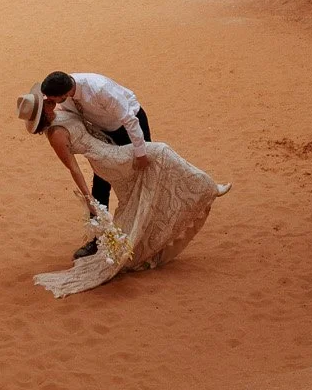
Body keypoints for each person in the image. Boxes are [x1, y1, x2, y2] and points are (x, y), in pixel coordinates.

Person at [16, 80, 230, 298]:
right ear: (43, 113)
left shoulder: (63, 109)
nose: (47, 100)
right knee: (161, 151)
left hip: (108, 148)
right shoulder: (56, 134)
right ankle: (207, 186)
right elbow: (73, 168)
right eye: (44, 102)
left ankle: (143, 234)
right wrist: (88, 198)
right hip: (108, 159)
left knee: (147, 178)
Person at [39, 70, 150, 260]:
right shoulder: (64, 93)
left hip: (128, 125)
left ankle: (147, 232)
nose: (50, 102)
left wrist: (141, 152)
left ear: (63, 94)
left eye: (52, 99)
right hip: (103, 130)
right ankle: (98, 238)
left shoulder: (100, 89)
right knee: (100, 183)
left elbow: (129, 119)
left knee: (143, 178)